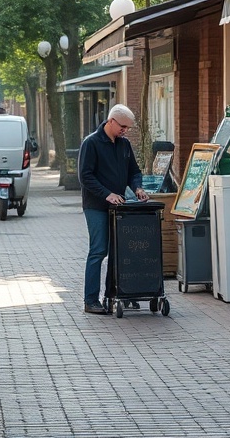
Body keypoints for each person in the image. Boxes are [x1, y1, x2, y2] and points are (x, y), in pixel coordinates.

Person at [78, 104, 148, 314]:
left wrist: (137, 187)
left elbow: (133, 171)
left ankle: (114, 294)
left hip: (119, 207)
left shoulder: (124, 145)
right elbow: (85, 176)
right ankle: (90, 300)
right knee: (98, 250)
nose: (125, 131)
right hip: (97, 206)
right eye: (123, 126)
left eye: (128, 128)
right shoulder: (91, 143)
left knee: (119, 251)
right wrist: (106, 193)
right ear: (110, 121)